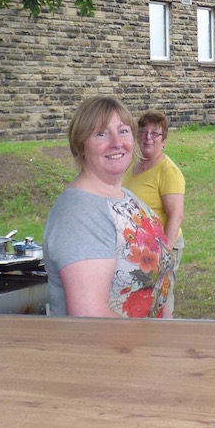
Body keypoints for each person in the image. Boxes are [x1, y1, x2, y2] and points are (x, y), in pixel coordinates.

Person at [43, 96, 176, 318]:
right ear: (80, 145)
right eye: (101, 134)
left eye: (123, 131)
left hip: (148, 347)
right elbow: (90, 317)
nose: (117, 142)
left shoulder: (127, 198)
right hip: (110, 351)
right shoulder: (79, 214)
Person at [122, 110, 186, 268]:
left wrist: (165, 254)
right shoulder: (132, 164)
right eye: (143, 132)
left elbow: (176, 216)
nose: (148, 137)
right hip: (137, 247)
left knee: (159, 292)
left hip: (160, 248)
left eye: (155, 133)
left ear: (163, 141)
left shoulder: (168, 171)